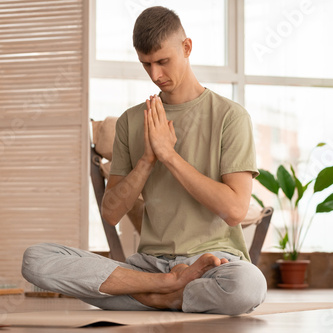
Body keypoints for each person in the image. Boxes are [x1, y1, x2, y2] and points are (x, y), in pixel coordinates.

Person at [22, 6, 267, 316]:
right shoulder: (131, 122)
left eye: (163, 62)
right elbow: (111, 213)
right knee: (36, 259)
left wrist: (169, 155)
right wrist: (148, 160)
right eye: (146, 64)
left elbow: (234, 211)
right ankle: (166, 289)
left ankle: (147, 296)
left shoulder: (231, 117)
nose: (155, 75)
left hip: (214, 264)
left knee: (248, 286)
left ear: (186, 48)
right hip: (148, 266)